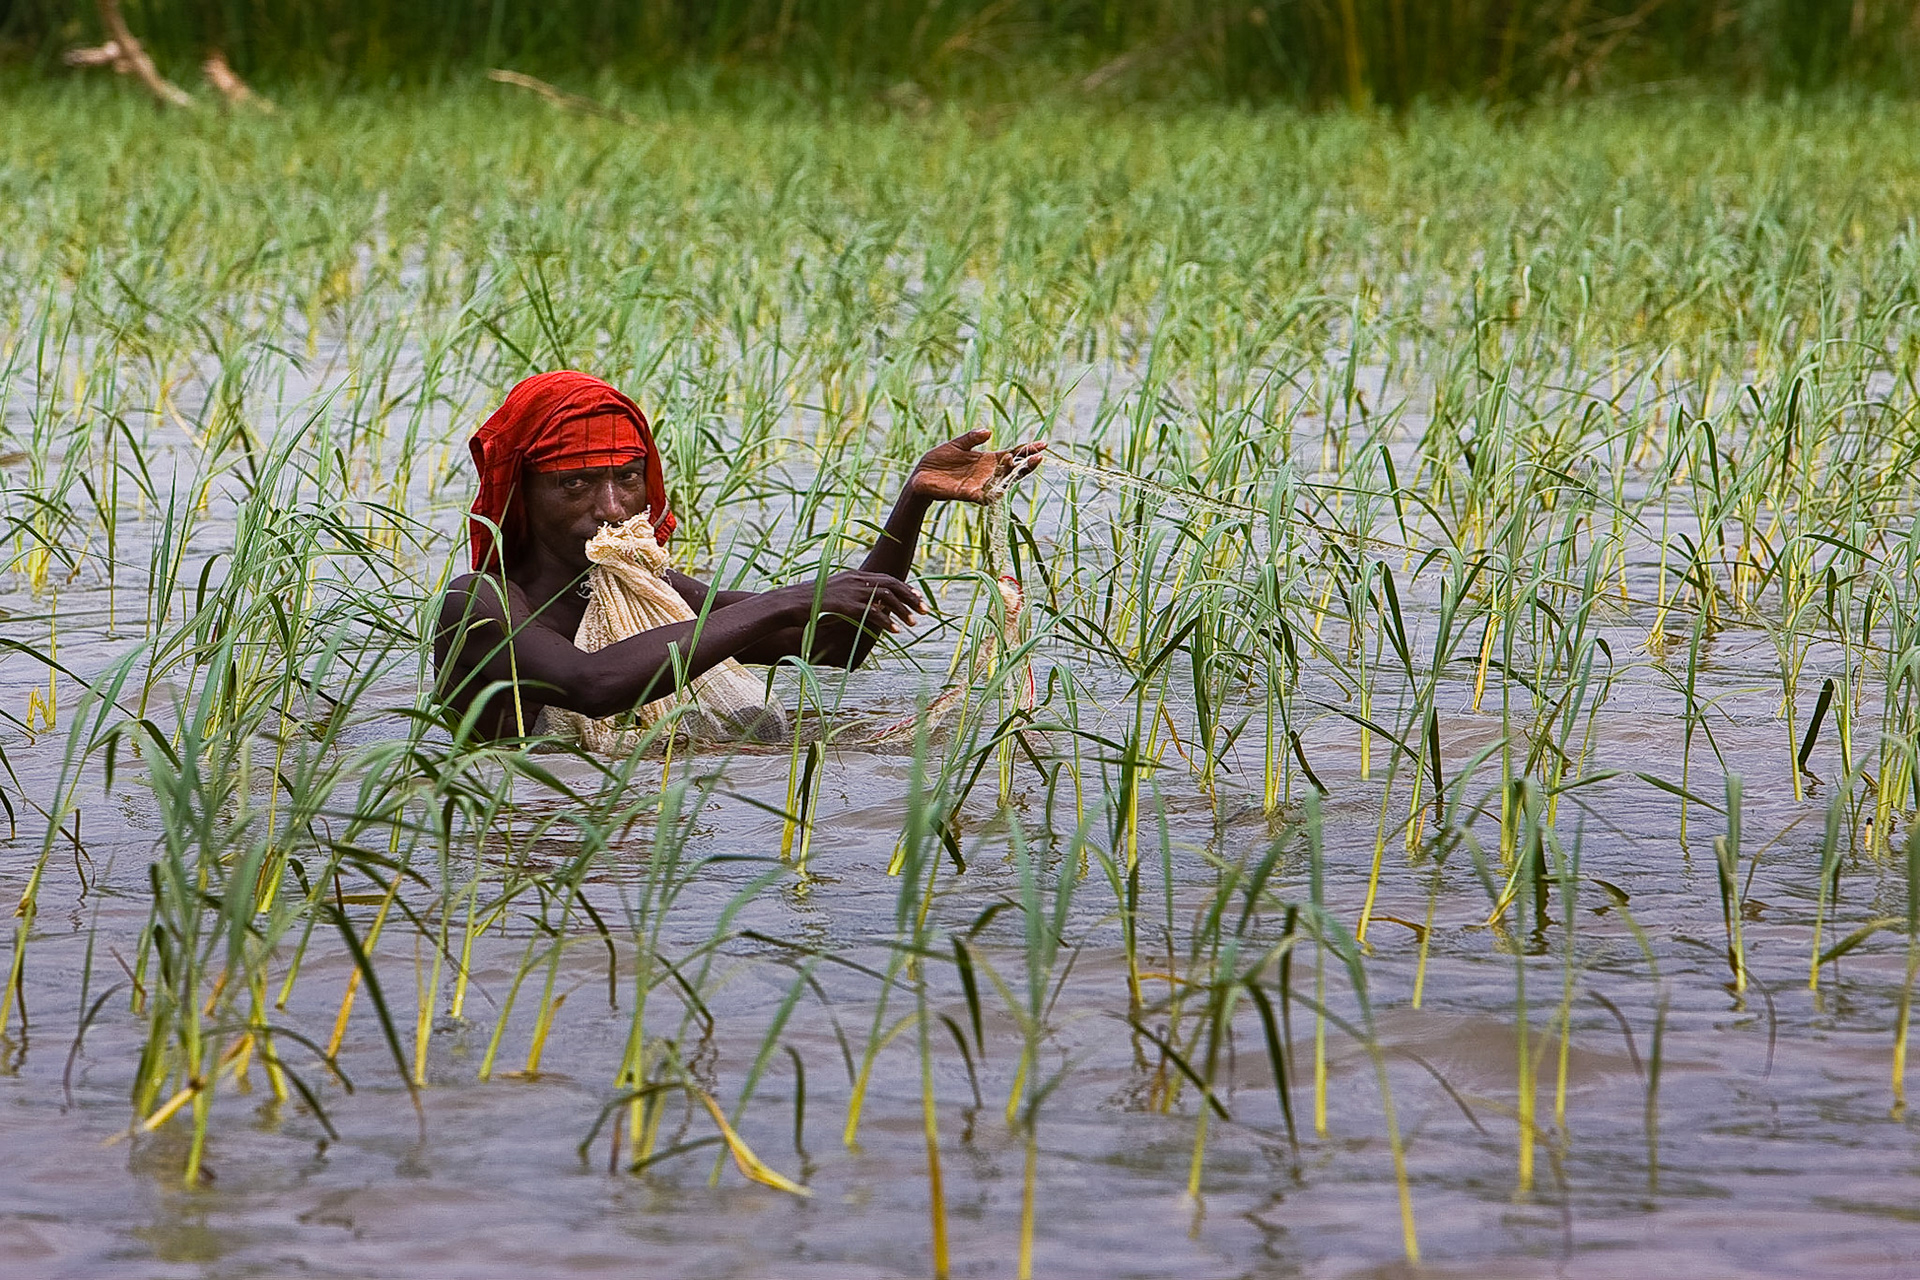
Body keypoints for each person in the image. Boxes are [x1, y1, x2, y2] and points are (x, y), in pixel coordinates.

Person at [434, 370, 1045, 740]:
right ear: (520, 490)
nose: (615, 508)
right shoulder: (481, 602)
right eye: (575, 484)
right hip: (521, 856)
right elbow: (592, 683)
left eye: (627, 477)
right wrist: (785, 599)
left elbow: (838, 642)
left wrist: (914, 498)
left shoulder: (652, 596)